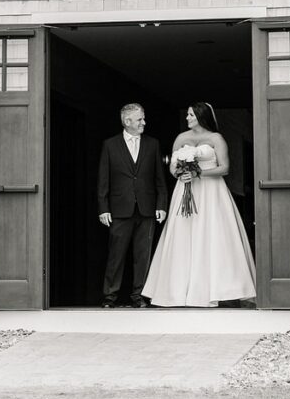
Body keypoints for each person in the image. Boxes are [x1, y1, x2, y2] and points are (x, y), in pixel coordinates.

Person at [142, 101, 256, 307]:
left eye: (191, 115)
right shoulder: (181, 138)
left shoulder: (215, 139)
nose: (187, 118)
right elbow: (172, 167)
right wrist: (179, 173)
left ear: (201, 117)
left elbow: (225, 168)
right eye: (187, 115)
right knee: (183, 234)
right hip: (185, 190)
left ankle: (219, 288)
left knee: (213, 235)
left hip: (211, 192)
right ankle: (178, 290)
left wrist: (198, 172)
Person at [97, 103, 168, 308]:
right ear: (127, 121)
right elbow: (103, 179)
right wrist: (103, 208)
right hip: (119, 209)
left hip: (146, 209)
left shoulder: (152, 144)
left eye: (143, 118)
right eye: (139, 119)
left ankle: (139, 296)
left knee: (143, 256)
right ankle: (110, 297)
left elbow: (159, 179)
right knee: (116, 256)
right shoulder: (110, 145)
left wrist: (161, 205)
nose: (144, 123)